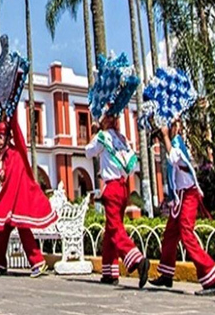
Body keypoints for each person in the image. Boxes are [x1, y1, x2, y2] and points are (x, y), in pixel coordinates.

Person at [141, 68, 215, 296]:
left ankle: (211, 280)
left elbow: (176, 160)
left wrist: (166, 136)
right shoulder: (173, 141)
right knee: (170, 236)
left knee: (186, 234)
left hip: (188, 195)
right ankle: (166, 274)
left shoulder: (176, 142)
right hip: (181, 196)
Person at [83, 53, 148, 287]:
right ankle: (109, 272)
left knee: (115, 229)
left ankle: (137, 260)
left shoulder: (102, 137)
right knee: (110, 231)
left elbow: (88, 152)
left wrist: (93, 131)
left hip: (111, 188)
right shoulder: (121, 137)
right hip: (124, 188)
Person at [0, 118, 57, 278]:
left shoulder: (17, 150)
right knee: (2, 231)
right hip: (10, 200)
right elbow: (8, 176)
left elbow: (17, 133)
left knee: (23, 230)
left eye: (1, 136)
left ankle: (38, 262)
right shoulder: (3, 155)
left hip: (20, 199)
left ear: (8, 137)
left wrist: (13, 114)